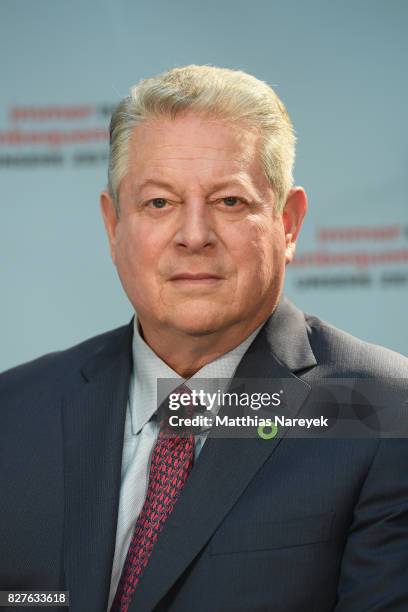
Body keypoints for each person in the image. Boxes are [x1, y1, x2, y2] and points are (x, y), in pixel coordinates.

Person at [1, 65, 408, 612]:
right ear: (112, 225)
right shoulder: (16, 410)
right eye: (159, 203)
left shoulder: (383, 412)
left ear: (288, 223)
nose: (194, 236)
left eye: (229, 202)